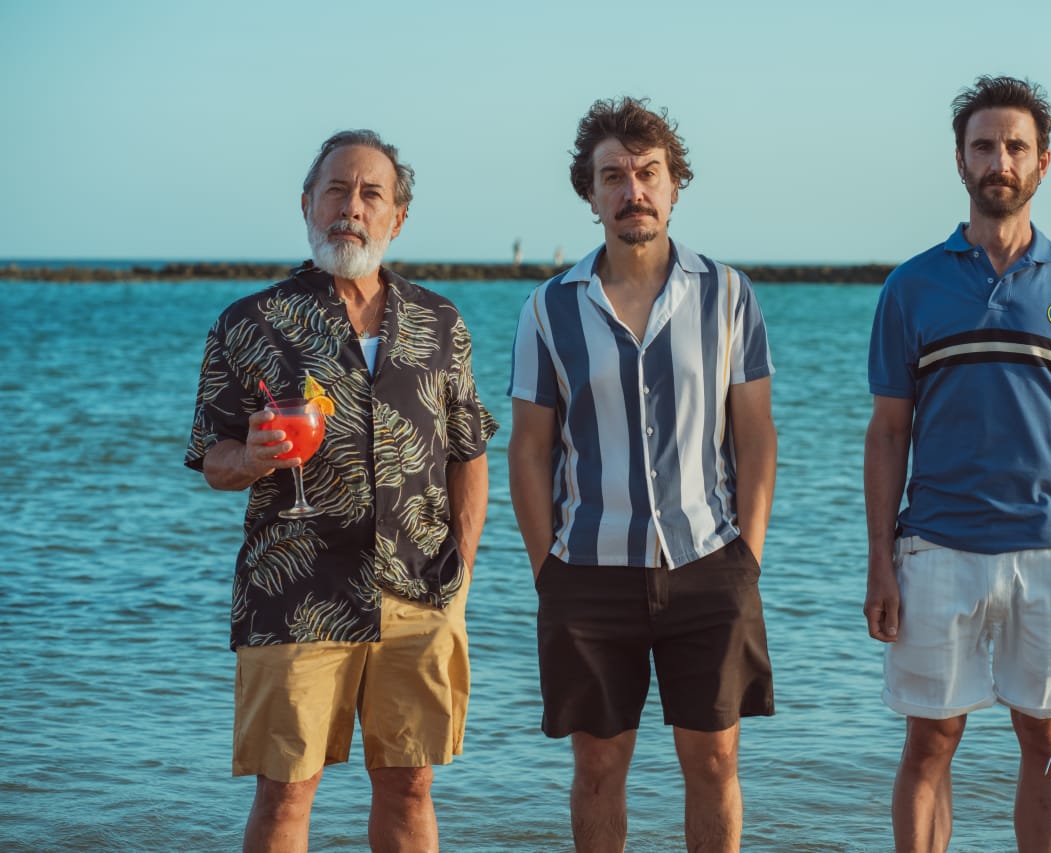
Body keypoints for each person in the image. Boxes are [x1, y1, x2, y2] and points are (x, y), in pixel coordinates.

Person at [185, 129, 497, 853]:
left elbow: (469, 451)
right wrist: (253, 456)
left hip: (420, 591)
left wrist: (463, 573)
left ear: (398, 217)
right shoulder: (249, 323)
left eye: (370, 193)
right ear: (306, 204)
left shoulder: (440, 322)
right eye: (335, 190)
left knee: (410, 785)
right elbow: (212, 456)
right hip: (293, 592)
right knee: (285, 790)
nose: (350, 208)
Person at [862, 76, 1051, 853]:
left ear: (1043, 162)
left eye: (1015, 147)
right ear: (960, 161)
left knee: (1045, 737)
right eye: (984, 146)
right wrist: (880, 560)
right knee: (930, 741)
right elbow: (887, 435)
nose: (999, 161)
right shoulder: (911, 287)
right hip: (936, 547)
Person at [507, 96, 777, 852]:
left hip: (708, 565)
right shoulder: (548, 309)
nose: (634, 191)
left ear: (674, 185)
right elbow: (529, 448)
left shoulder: (728, 294)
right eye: (614, 177)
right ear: (590, 194)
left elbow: (756, 436)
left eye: (649, 173)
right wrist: (547, 570)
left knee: (716, 760)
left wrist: (745, 559)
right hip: (588, 573)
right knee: (597, 765)